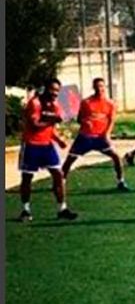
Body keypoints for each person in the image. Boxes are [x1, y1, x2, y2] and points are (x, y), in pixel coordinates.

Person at [18, 78, 78, 221]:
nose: (55, 93)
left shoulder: (56, 105)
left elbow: (50, 128)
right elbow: (34, 124)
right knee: (27, 178)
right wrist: (54, 120)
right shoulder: (35, 103)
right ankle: (25, 210)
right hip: (31, 144)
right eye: (52, 90)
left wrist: (58, 140)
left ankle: (62, 208)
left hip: (47, 145)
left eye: (57, 90)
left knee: (58, 174)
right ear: (45, 88)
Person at [62, 77, 129, 191]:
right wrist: (85, 122)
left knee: (116, 157)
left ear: (105, 87)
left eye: (102, 86)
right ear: (93, 87)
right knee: (70, 159)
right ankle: (60, 181)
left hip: (100, 137)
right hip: (85, 137)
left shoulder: (110, 104)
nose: (100, 89)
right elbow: (79, 119)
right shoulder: (86, 102)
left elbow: (111, 120)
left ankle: (121, 181)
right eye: (97, 86)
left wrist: (107, 134)